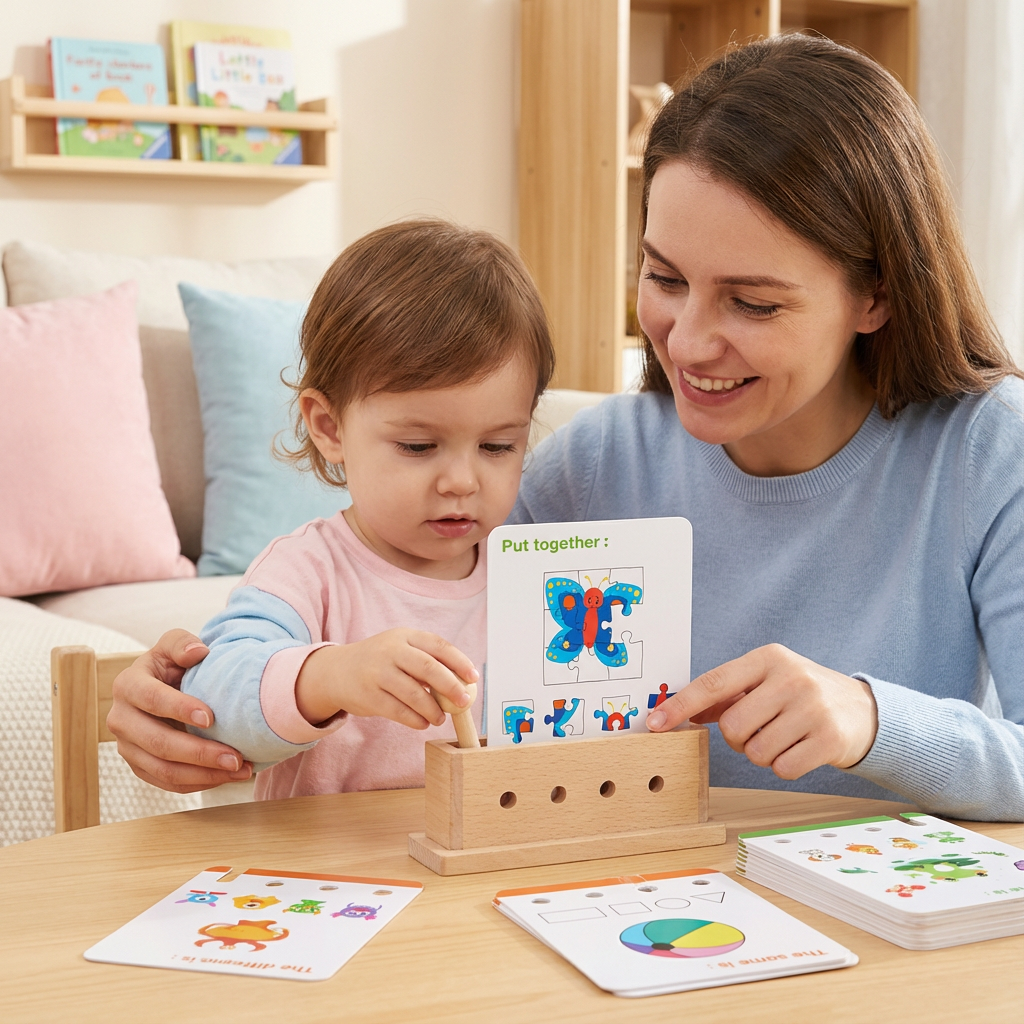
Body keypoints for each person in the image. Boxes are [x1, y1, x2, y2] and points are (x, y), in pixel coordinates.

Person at [108, 35, 1023, 820]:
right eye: (664, 278)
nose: (689, 342)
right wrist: (194, 693)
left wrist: (869, 717)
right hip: (620, 905)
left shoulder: (989, 454)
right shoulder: (593, 465)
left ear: (878, 293)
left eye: (750, 301)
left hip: (887, 938)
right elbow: (408, 596)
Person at [145, 219, 553, 798]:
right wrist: (330, 676)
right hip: (334, 877)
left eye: (498, 446)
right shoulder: (308, 571)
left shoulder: (530, 570)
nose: (462, 481)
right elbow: (211, 698)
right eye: (418, 446)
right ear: (329, 427)